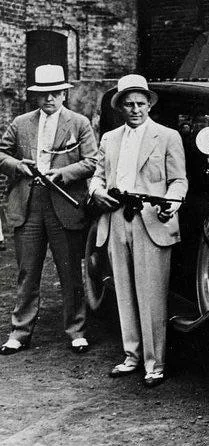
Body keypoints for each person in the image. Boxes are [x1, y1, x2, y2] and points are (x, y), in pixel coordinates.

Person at [89, 74, 187, 387]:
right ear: (120, 107)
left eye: (141, 104)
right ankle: (131, 356)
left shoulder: (167, 136)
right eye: (129, 104)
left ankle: (154, 364)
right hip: (116, 217)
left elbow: (179, 181)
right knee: (124, 291)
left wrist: (171, 204)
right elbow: (97, 176)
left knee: (152, 294)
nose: (135, 109)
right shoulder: (109, 138)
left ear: (149, 105)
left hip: (151, 220)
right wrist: (96, 191)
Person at [0, 64, 97, 355]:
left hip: (64, 202)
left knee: (69, 271)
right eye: (43, 94)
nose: (50, 99)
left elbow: (93, 160)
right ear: (36, 97)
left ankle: (76, 330)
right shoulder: (21, 122)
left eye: (55, 93)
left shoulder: (79, 123)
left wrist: (63, 173)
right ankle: (20, 332)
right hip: (28, 203)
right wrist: (17, 166)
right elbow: (1, 153)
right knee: (27, 271)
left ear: (64, 94)